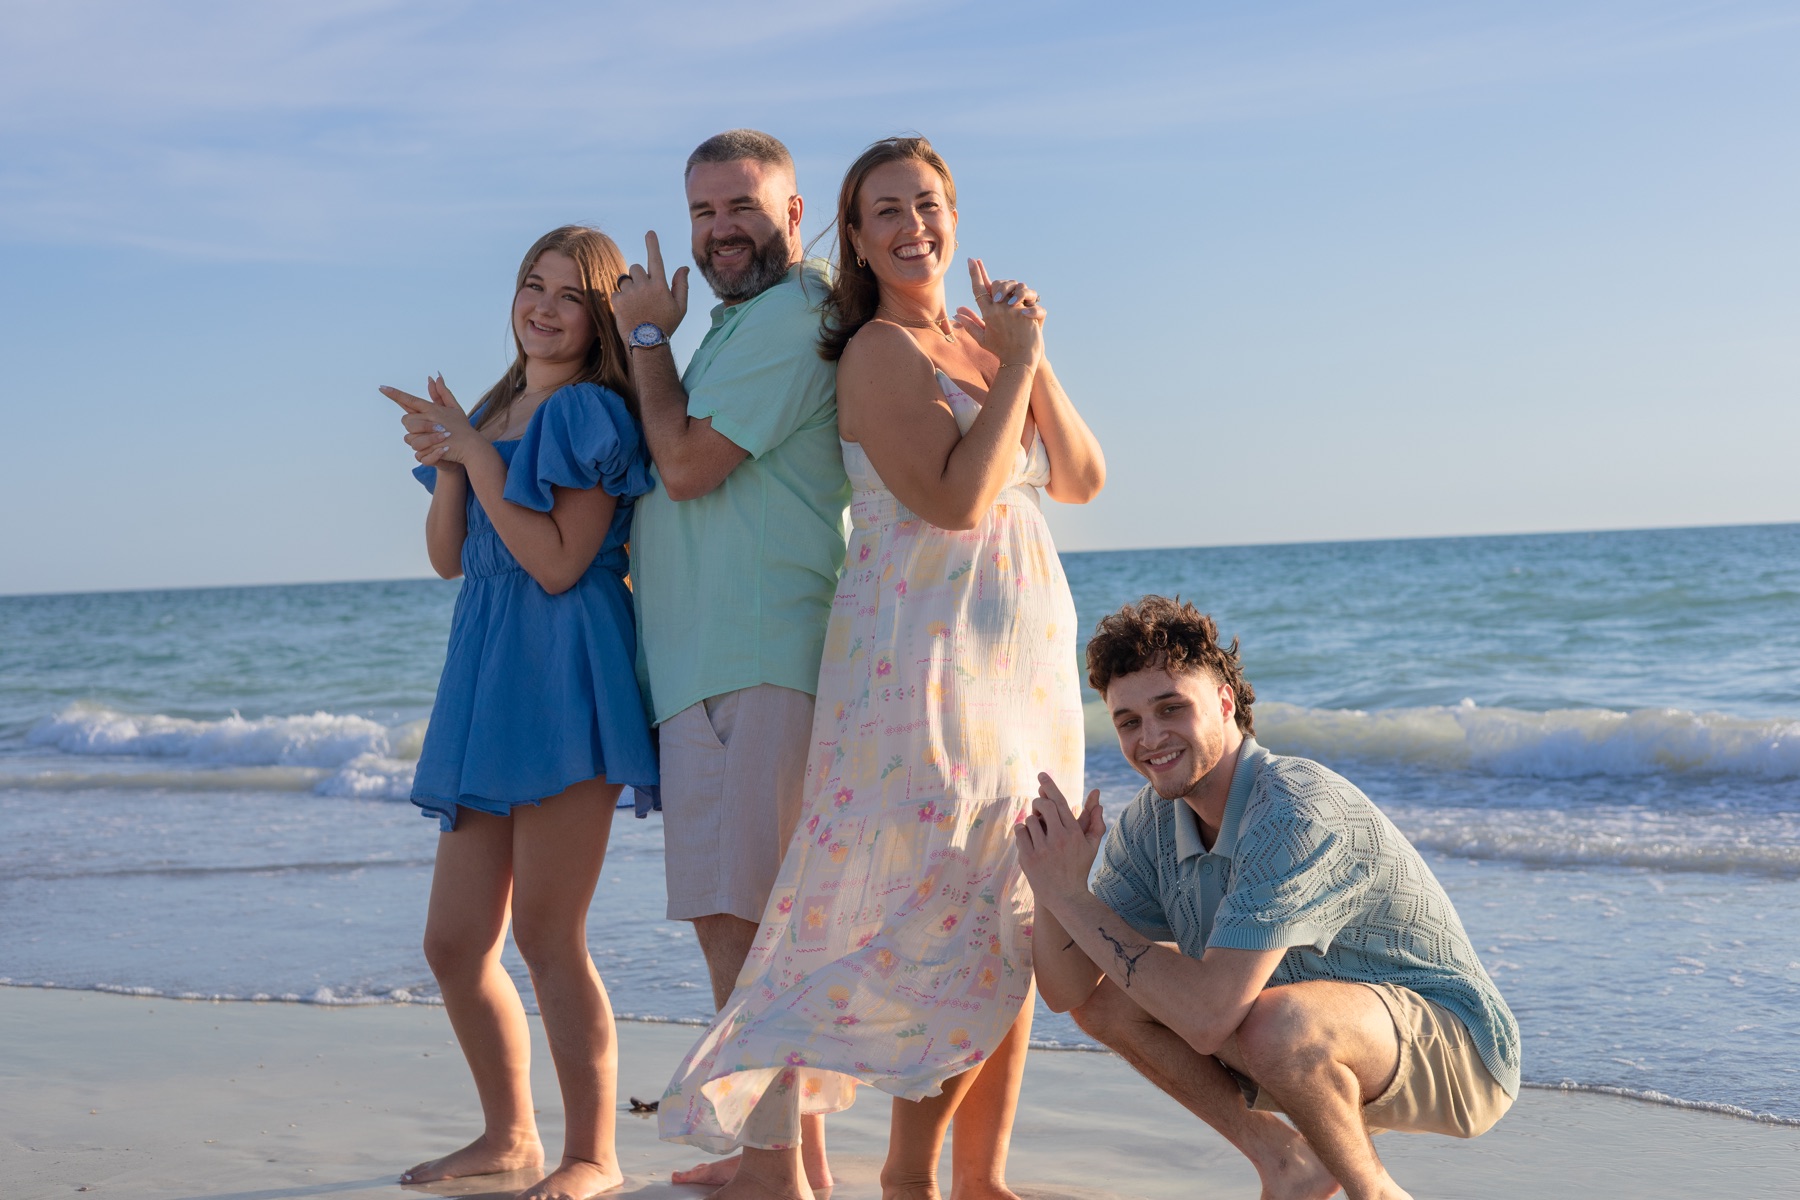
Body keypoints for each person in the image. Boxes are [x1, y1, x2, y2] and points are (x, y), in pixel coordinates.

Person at [659, 135, 1106, 1200]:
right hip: (925, 651)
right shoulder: (875, 352)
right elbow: (953, 501)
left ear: (955, 214)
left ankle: (978, 1179)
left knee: (1020, 897)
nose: (915, 227)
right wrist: (1018, 377)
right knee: (946, 901)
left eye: (930, 204)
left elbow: (1082, 477)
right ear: (853, 237)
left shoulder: (977, 338)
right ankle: (907, 1173)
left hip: (1020, 660)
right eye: (889, 212)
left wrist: (1027, 354)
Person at [1016, 596, 1521, 1200]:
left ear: (1226, 703)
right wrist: (1054, 887)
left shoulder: (1291, 807)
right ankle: (1286, 1163)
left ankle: (1377, 1194)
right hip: (1308, 1038)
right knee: (1111, 999)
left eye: (1171, 708)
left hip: (1456, 1050)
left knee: (1271, 1021)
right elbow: (1068, 992)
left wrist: (1074, 898)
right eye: (1128, 722)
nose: (1150, 738)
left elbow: (1208, 1021)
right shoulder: (1152, 822)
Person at [381, 225, 659, 1200]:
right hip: (484, 670)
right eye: (530, 286)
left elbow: (558, 561)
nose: (542, 307)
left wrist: (476, 453)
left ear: (598, 316)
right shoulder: (498, 406)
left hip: (565, 667)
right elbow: (450, 557)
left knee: (548, 932)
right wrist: (458, 458)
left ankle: (594, 1153)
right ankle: (509, 1136)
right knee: (454, 942)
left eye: (569, 294)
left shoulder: (588, 412)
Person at [608, 129, 850, 1192]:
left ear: (796, 215)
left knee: (745, 926)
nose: (720, 230)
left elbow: (691, 464)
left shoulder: (791, 316)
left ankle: (774, 1172)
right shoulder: (743, 326)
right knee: (740, 921)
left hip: (754, 656)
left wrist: (647, 336)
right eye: (703, 212)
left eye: (742, 205)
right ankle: (779, 1155)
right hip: (716, 660)